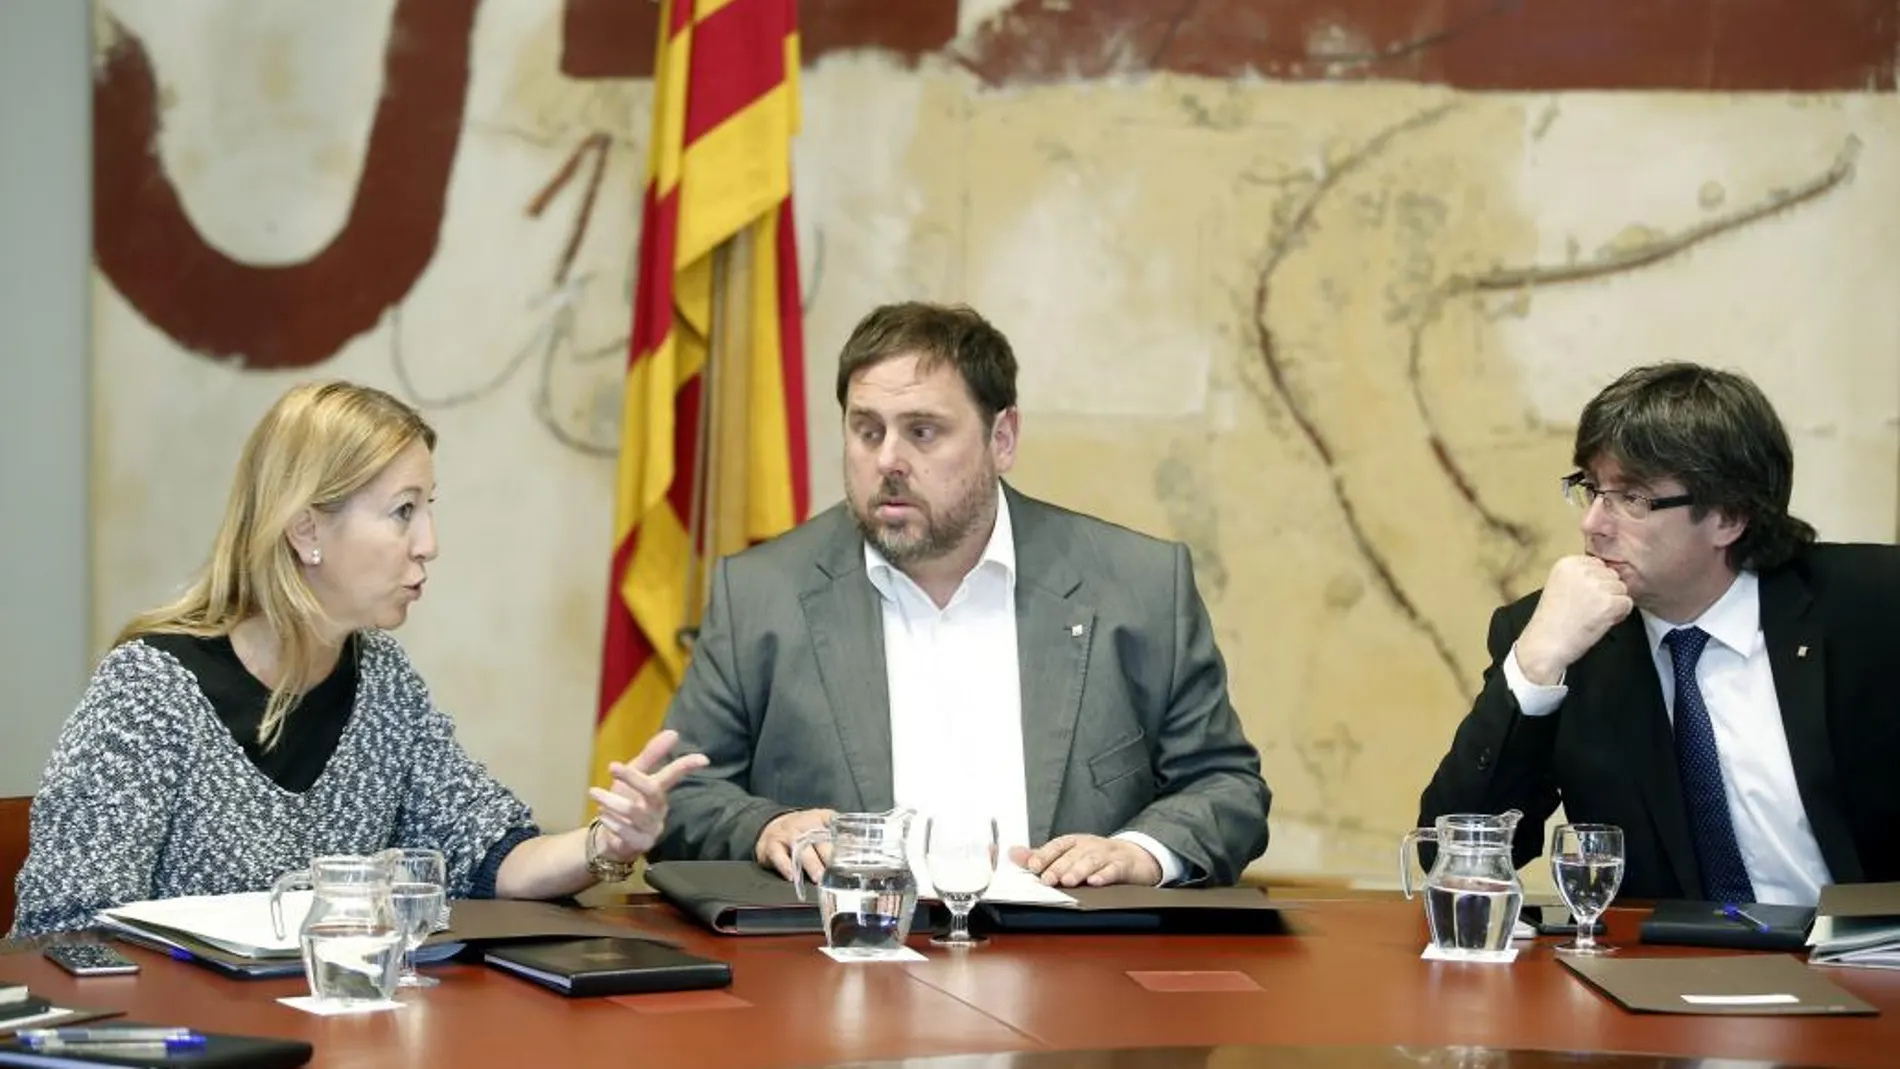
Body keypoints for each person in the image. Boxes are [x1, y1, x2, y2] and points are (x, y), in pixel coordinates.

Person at [10, 382, 706, 937]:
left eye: (428, 507)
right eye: (403, 511)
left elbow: (490, 853)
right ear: (307, 529)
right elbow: (62, 928)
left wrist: (605, 841)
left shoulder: (383, 679)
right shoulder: (149, 689)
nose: (429, 541)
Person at [653, 301, 1270, 888]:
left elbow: (1225, 787)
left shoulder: (1134, 586)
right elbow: (679, 796)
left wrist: (1140, 853)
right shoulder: (764, 593)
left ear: (1002, 439)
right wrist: (764, 827)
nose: (889, 460)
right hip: (841, 964)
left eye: (922, 432)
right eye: (867, 431)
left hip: (1079, 965)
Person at [1418, 362, 1900, 906]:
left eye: (1633, 499)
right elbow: (1450, 855)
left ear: (1728, 517)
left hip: (1867, 969)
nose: (1593, 523)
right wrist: (1534, 666)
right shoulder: (1564, 635)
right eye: (1591, 490)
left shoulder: (1875, 608)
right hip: (1665, 971)